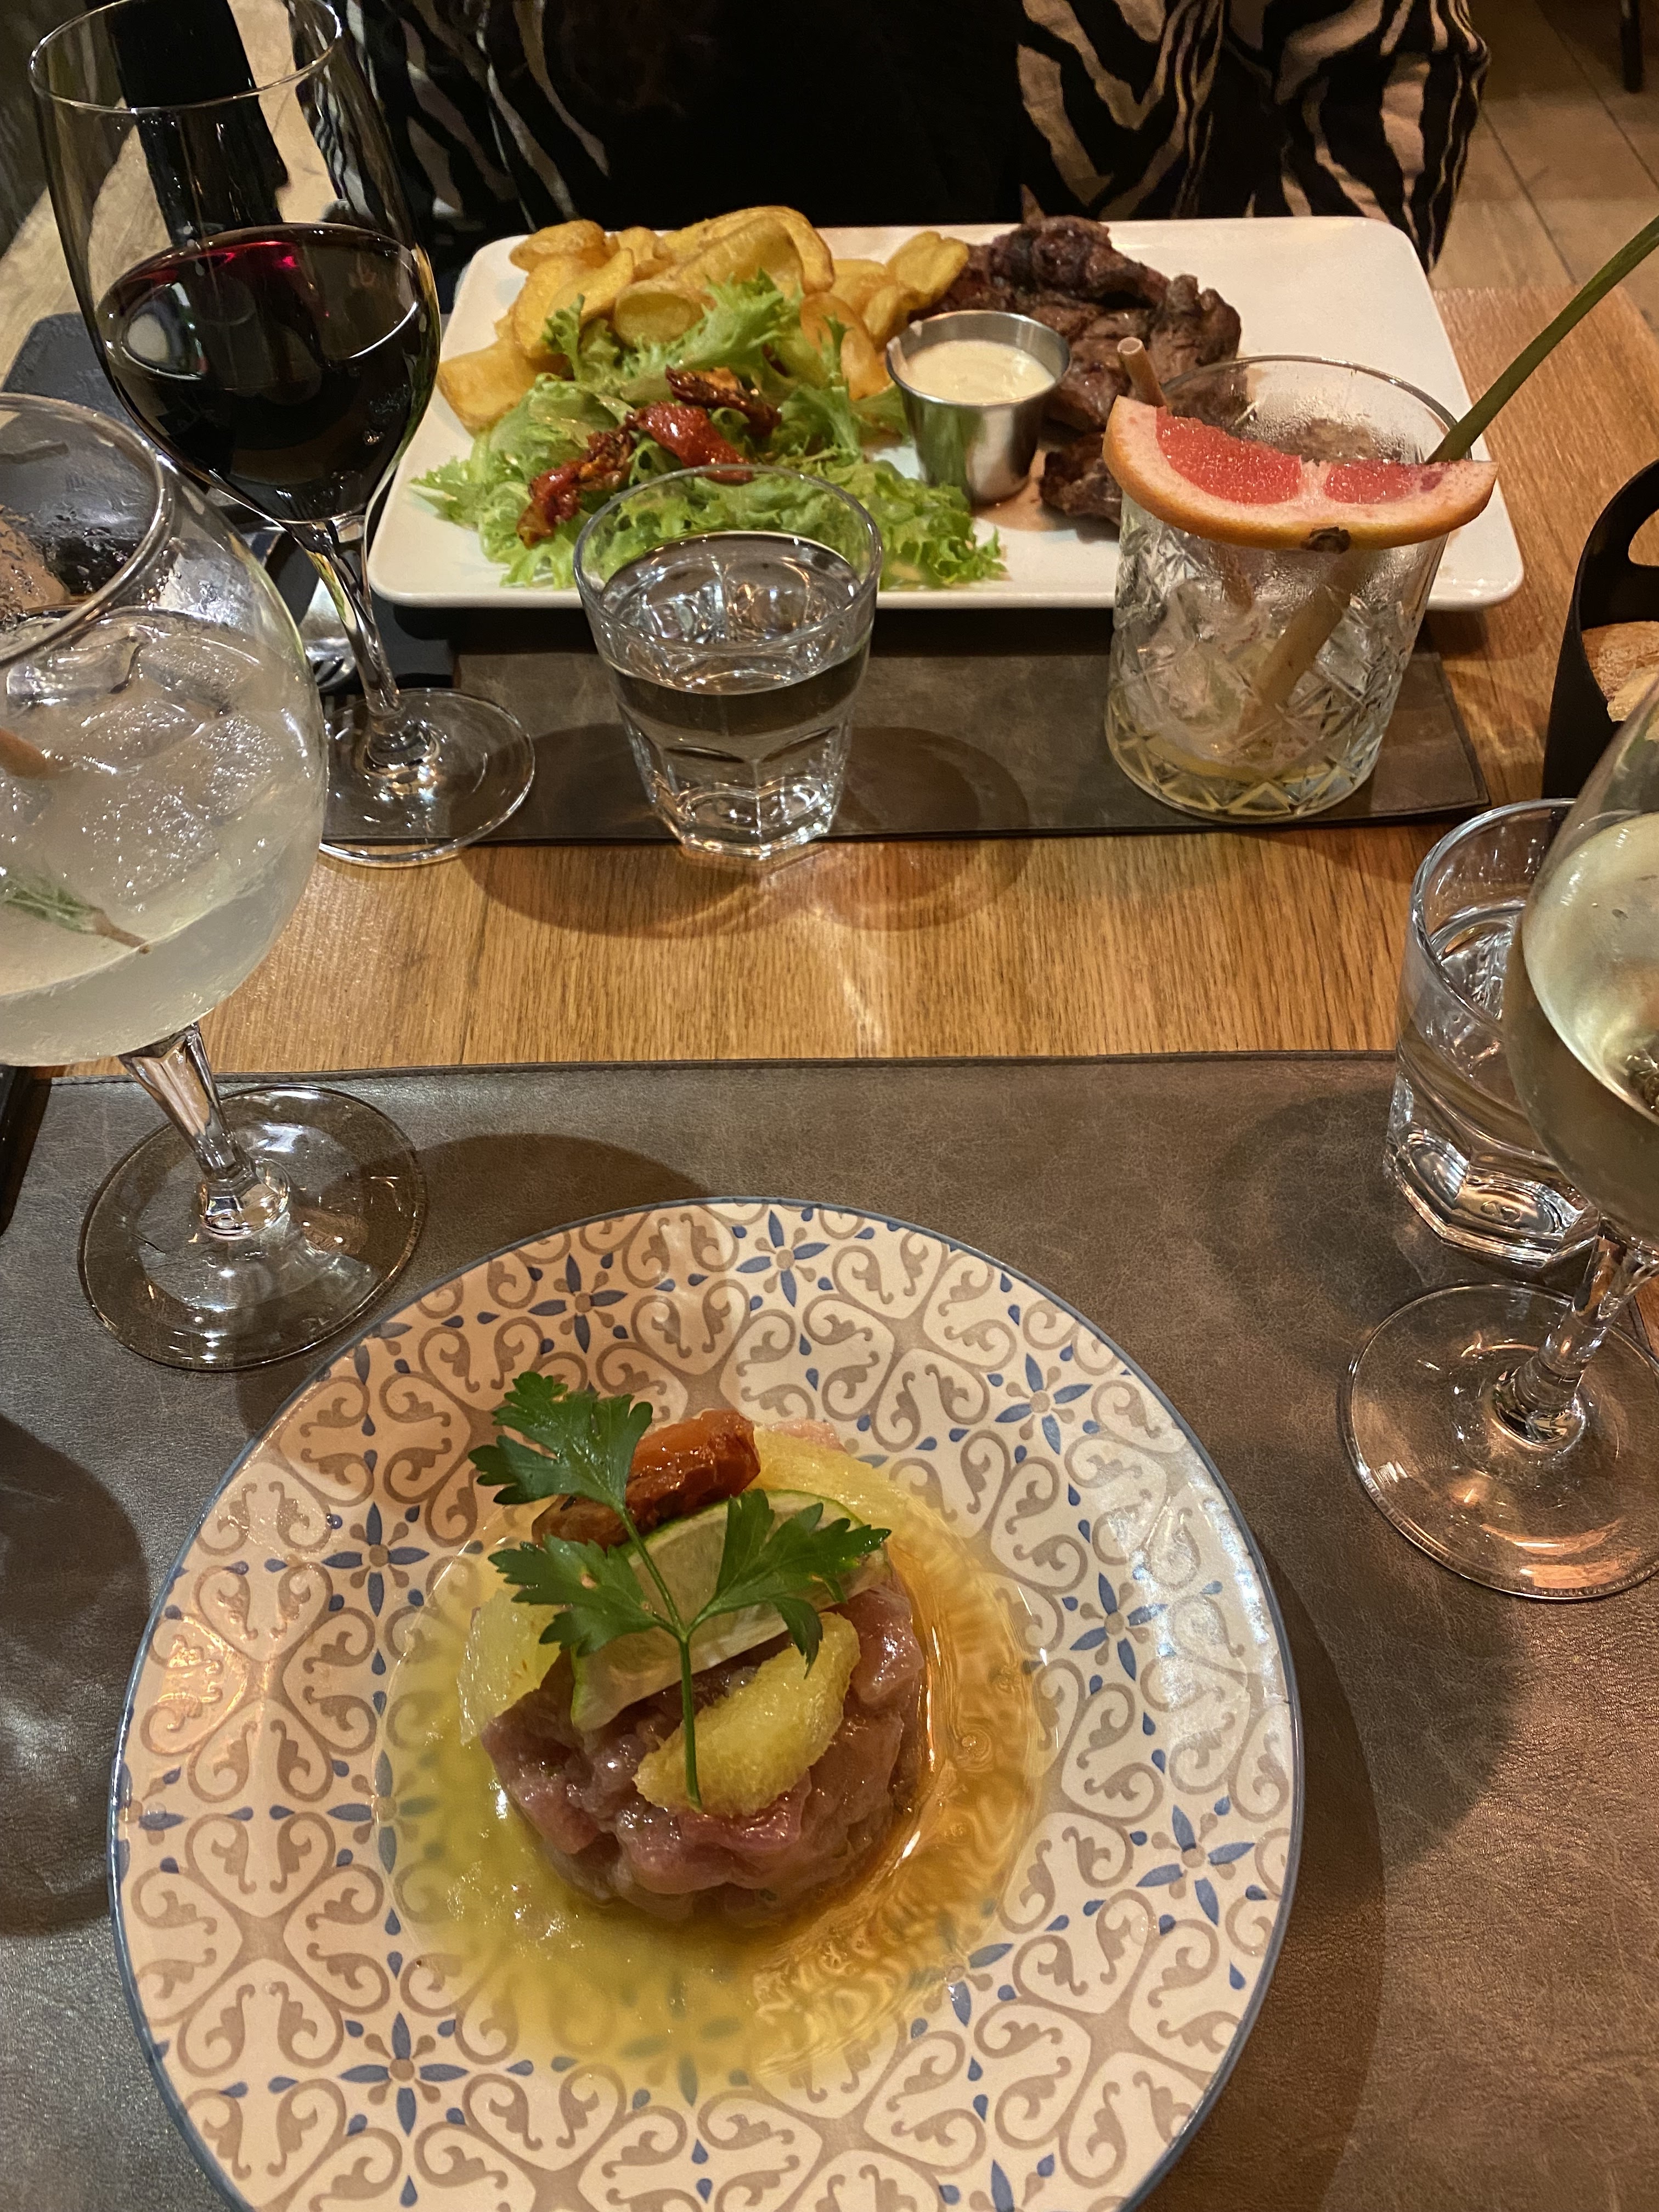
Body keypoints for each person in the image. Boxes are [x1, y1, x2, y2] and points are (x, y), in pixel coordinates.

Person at [345, 0, 1484, 278]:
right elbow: (423, 243)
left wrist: (1263, 380)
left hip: (1117, 476)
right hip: (607, 523)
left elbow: (1391, 54)